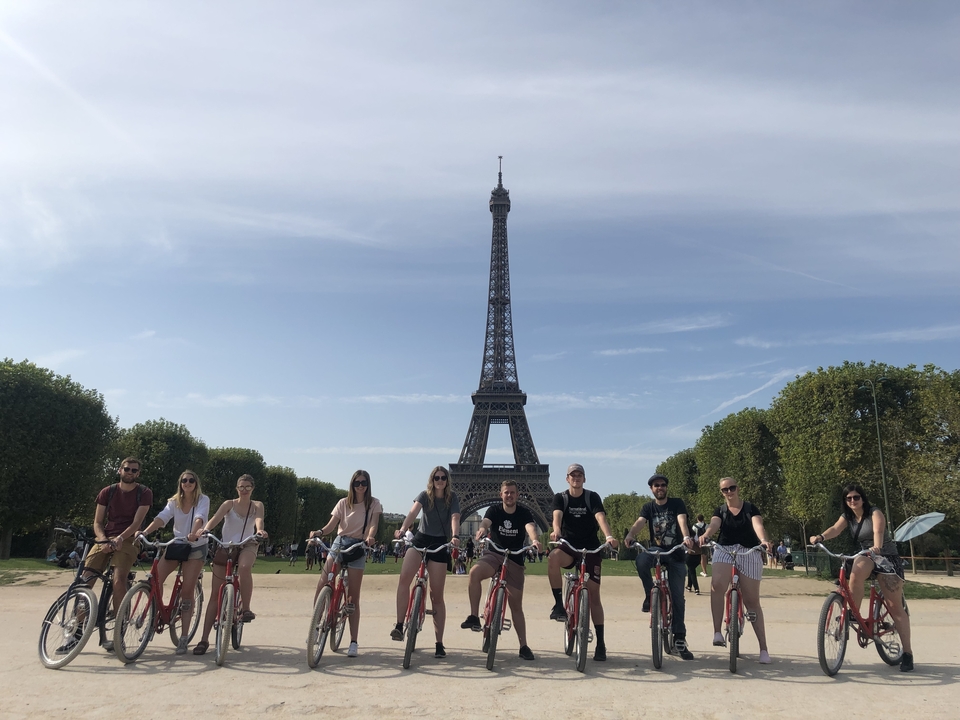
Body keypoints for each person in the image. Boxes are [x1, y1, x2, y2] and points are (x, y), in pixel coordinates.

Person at [809, 483, 914, 672]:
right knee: (855, 571)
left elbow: (878, 532)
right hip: (866, 555)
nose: (852, 501)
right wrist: (820, 537)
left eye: (856, 497)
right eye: (848, 498)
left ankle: (907, 653)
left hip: (885, 556)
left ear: (862, 498)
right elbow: (835, 529)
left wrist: (877, 546)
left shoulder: (875, 513)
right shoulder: (847, 516)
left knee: (894, 606)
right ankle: (852, 613)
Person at [460, 480, 542, 661]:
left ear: (517, 495)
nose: (509, 495)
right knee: (474, 573)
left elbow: (530, 527)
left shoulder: (524, 512)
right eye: (506, 492)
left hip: (515, 559)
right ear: (501, 494)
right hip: (494, 554)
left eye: (512, 492)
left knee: (516, 607)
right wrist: (481, 530)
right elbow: (486, 522)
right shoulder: (494, 510)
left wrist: (535, 540)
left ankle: (523, 645)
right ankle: (474, 616)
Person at [546, 463, 618, 661]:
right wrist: (557, 531)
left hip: (590, 547)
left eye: (579, 475)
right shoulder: (560, 497)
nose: (576, 477)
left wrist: (609, 536)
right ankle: (558, 604)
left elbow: (600, 517)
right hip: (569, 546)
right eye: (572, 475)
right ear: (567, 478)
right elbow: (557, 517)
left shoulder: (592, 497)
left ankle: (601, 643)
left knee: (594, 596)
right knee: (552, 559)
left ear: (584, 479)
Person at [697, 477, 773, 664]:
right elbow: (714, 525)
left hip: (749, 550)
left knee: (752, 600)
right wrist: (706, 535)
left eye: (732, 488)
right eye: (725, 490)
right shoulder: (720, 511)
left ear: (737, 489)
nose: (729, 492)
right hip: (725, 548)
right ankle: (717, 632)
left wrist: (763, 540)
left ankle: (763, 648)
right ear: (721, 492)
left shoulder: (750, 508)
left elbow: (758, 525)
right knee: (716, 584)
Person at [81, 457, 154, 651]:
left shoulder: (144, 493)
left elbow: (137, 523)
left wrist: (120, 538)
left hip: (128, 539)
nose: (130, 472)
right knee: (85, 579)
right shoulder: (108, 491)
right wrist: (103, 539)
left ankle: (119, 629)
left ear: (138, 474)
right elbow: (97, 522)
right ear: (119, 470)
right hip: (106, 537)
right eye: (127, 469)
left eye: (134, 470)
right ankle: (77, 630)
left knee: (118, 579)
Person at [309, 469, 382, 658]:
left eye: (364, 482)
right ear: (352, 484)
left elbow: (373, 523)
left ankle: (353, 641)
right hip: (339, 544)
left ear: (368, 484)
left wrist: (370, 537)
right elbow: (331, 525)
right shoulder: (343, 502)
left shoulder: (374, 504)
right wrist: (319, 532)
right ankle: (317, 624)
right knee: (323, 582)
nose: (360, 486)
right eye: (357, 482)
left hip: (358, 546)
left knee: (353, 599)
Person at [391, 465, 461, 658]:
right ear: (432, 480)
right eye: (437, 478)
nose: (440, 481)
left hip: (439, 542)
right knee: (404, 579)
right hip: (421, 539)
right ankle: (399, 624)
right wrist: (404, 529)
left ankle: (439, 642)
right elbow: (413, 512)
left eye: (443, 478)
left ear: (447, 480)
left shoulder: (452, 497)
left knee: (436, 596)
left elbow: (455, 517)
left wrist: (455, 535)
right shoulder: (424, 495)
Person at [193, 474, 267, 655]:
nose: (244, 490)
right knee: (214, 596)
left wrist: (260, 531)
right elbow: (216, 518)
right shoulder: (229, 504)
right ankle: (204, 639)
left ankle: (246, 609)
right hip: (226, 545)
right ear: (236, 488)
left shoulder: (257, 505)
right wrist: (206, 529)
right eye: (241, 487)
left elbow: (259, 520)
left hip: (248, 543)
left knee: (243, 568)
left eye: (247, 487)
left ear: (252, 489)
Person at [624, 473, 696, 661]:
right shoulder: (648, 507)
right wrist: (631, 534)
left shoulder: (677, 503)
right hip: (656, 550)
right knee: (641, 561)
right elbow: (640, 522)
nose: (660, 487)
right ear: (651, 488)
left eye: (663, 485)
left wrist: (687, 536)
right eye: (656, 485)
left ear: (666, 487)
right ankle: (650, 594)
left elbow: (682, 520)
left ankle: (680, 638)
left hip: (676, 552)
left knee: (678, 597)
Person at [140, 470, 209, 655]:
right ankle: (157, 613)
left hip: (195, 546)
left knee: (187, 590)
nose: (187, 483)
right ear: (180, 483)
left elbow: (200, 517)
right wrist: (145, 532)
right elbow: (162, 518)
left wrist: (195, 533)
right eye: (184, 480)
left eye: (191, 480)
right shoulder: (174, 501)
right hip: (177, 544)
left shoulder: (203, 500)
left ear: (196, 483)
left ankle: (184, 637)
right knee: (155, 579)